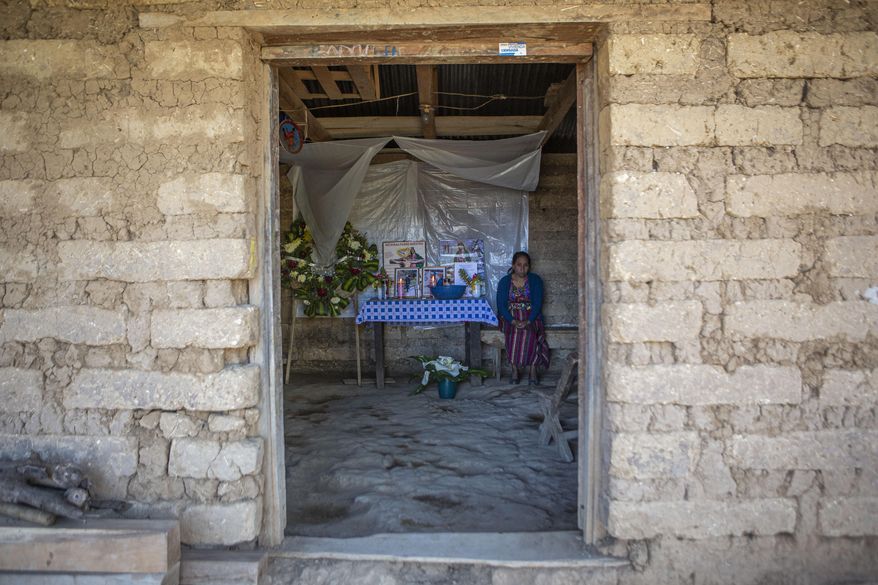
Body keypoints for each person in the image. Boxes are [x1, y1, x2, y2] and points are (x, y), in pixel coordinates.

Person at [495, 251, 550, 385]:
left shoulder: (535, 280)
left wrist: (529, 320)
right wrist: (513, 321)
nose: (522, 268)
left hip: (532, 316)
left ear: (529, 267)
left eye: (525, 265)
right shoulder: (505, 281)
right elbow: (501, 305)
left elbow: (537, 303)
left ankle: (533, 369)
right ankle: (514, 369)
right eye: (519, 265)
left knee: (531, 332)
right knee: (512, 332)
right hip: (510, 316)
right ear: (513, 265)